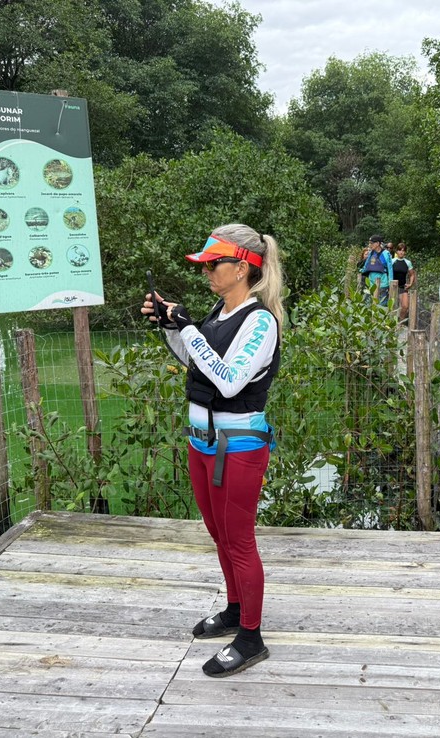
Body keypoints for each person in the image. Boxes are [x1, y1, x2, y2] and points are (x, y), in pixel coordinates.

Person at [141, 223, 283, 675]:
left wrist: (189, 328)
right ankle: (236, 610)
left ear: (242, 268)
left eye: (213, 263)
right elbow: (196, 365)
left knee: (240, 541)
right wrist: (170, 328)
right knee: (219, 535)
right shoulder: (218, 315)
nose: (206, 272)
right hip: (201, 443)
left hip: (238, 446)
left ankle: (251, 638)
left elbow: (228, 380)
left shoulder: (260, 321)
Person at [361, 234, 393, 305]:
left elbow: (390, 269)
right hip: (371, 282)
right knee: (368, 304)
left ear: (378, 243)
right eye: (369, 243)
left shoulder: (386, 253)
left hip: (383, 283)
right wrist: (362, 271)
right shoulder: (371, 253)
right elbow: (366, 264)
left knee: (381, 305)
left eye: (371, 243)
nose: (370, 245)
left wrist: (391, 283)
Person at [391, 242, 415, 322]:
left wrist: (410, 284)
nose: (401, 252)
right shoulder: (392, 261)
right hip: (392, 287)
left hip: (402, 287)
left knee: (405, 306)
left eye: (403, 250)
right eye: (400, 250)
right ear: (396, 251)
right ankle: (391, 324)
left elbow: (412, 274)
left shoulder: (408, 262)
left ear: (405, 252)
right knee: (392, 307)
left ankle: (400, 323)